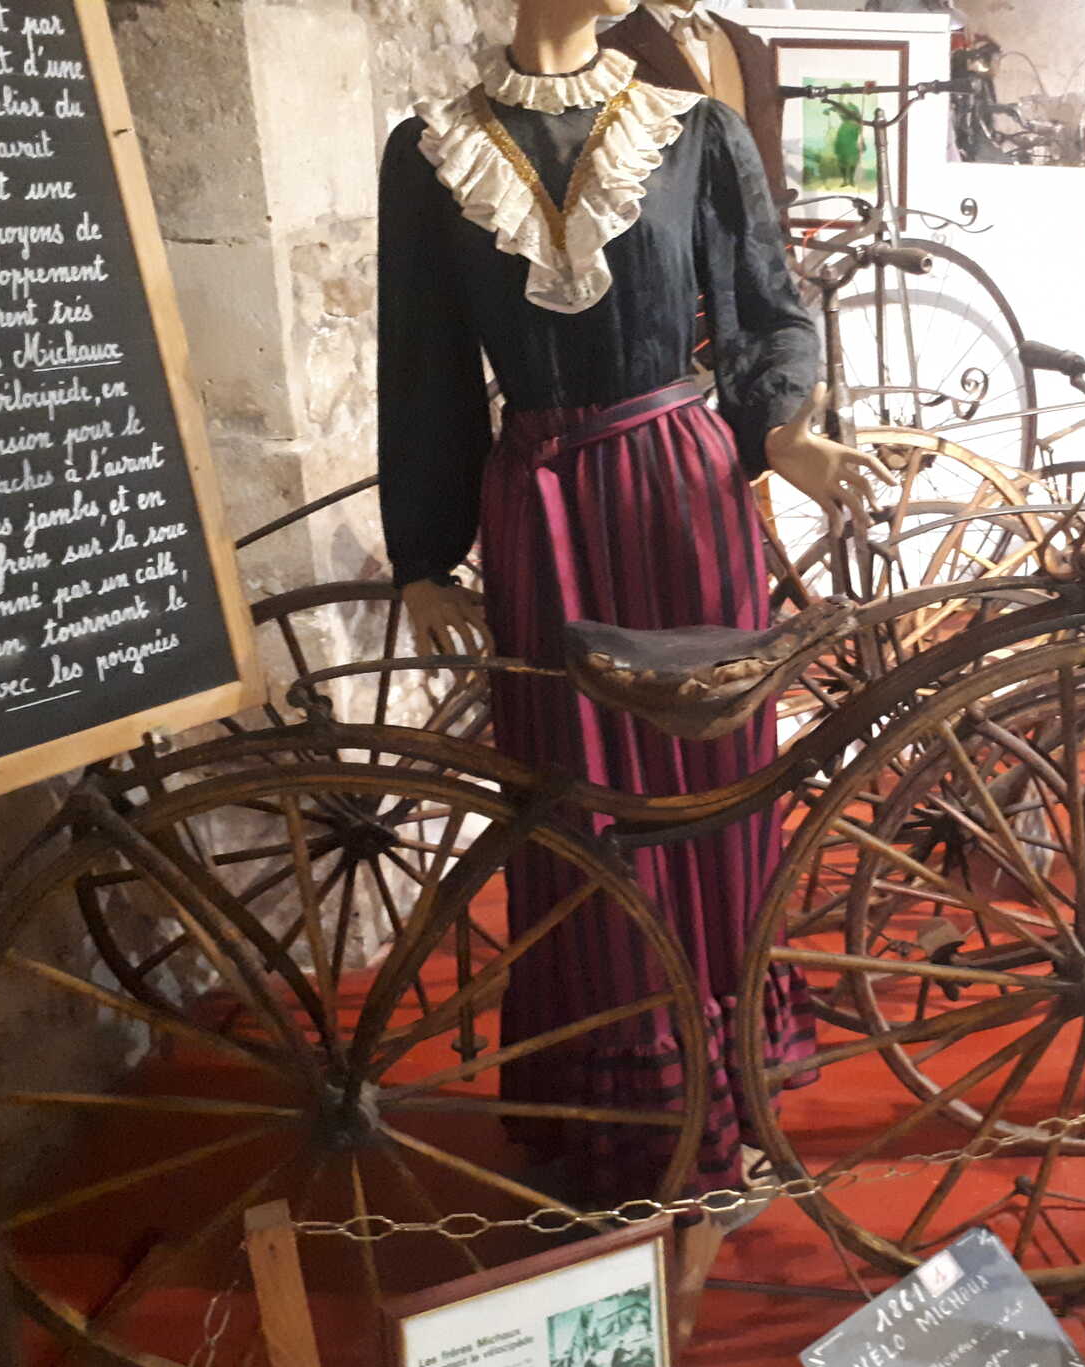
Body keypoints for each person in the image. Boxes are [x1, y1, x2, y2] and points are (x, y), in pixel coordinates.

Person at [376, 0, 888, 1207]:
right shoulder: (429, 151)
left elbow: (764, 310)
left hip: (680, 499)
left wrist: (789, 438)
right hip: (540, 522)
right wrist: (423, 556)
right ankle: (615, 1104)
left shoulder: (693, 129)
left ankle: (725, 1089)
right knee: (575, 811)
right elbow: (424, 366)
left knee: (711, 790)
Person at [601, 0, 786, 201]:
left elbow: (768, 137)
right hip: (671, 208)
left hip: (753, 208)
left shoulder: (748, 42)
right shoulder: (611, 48)